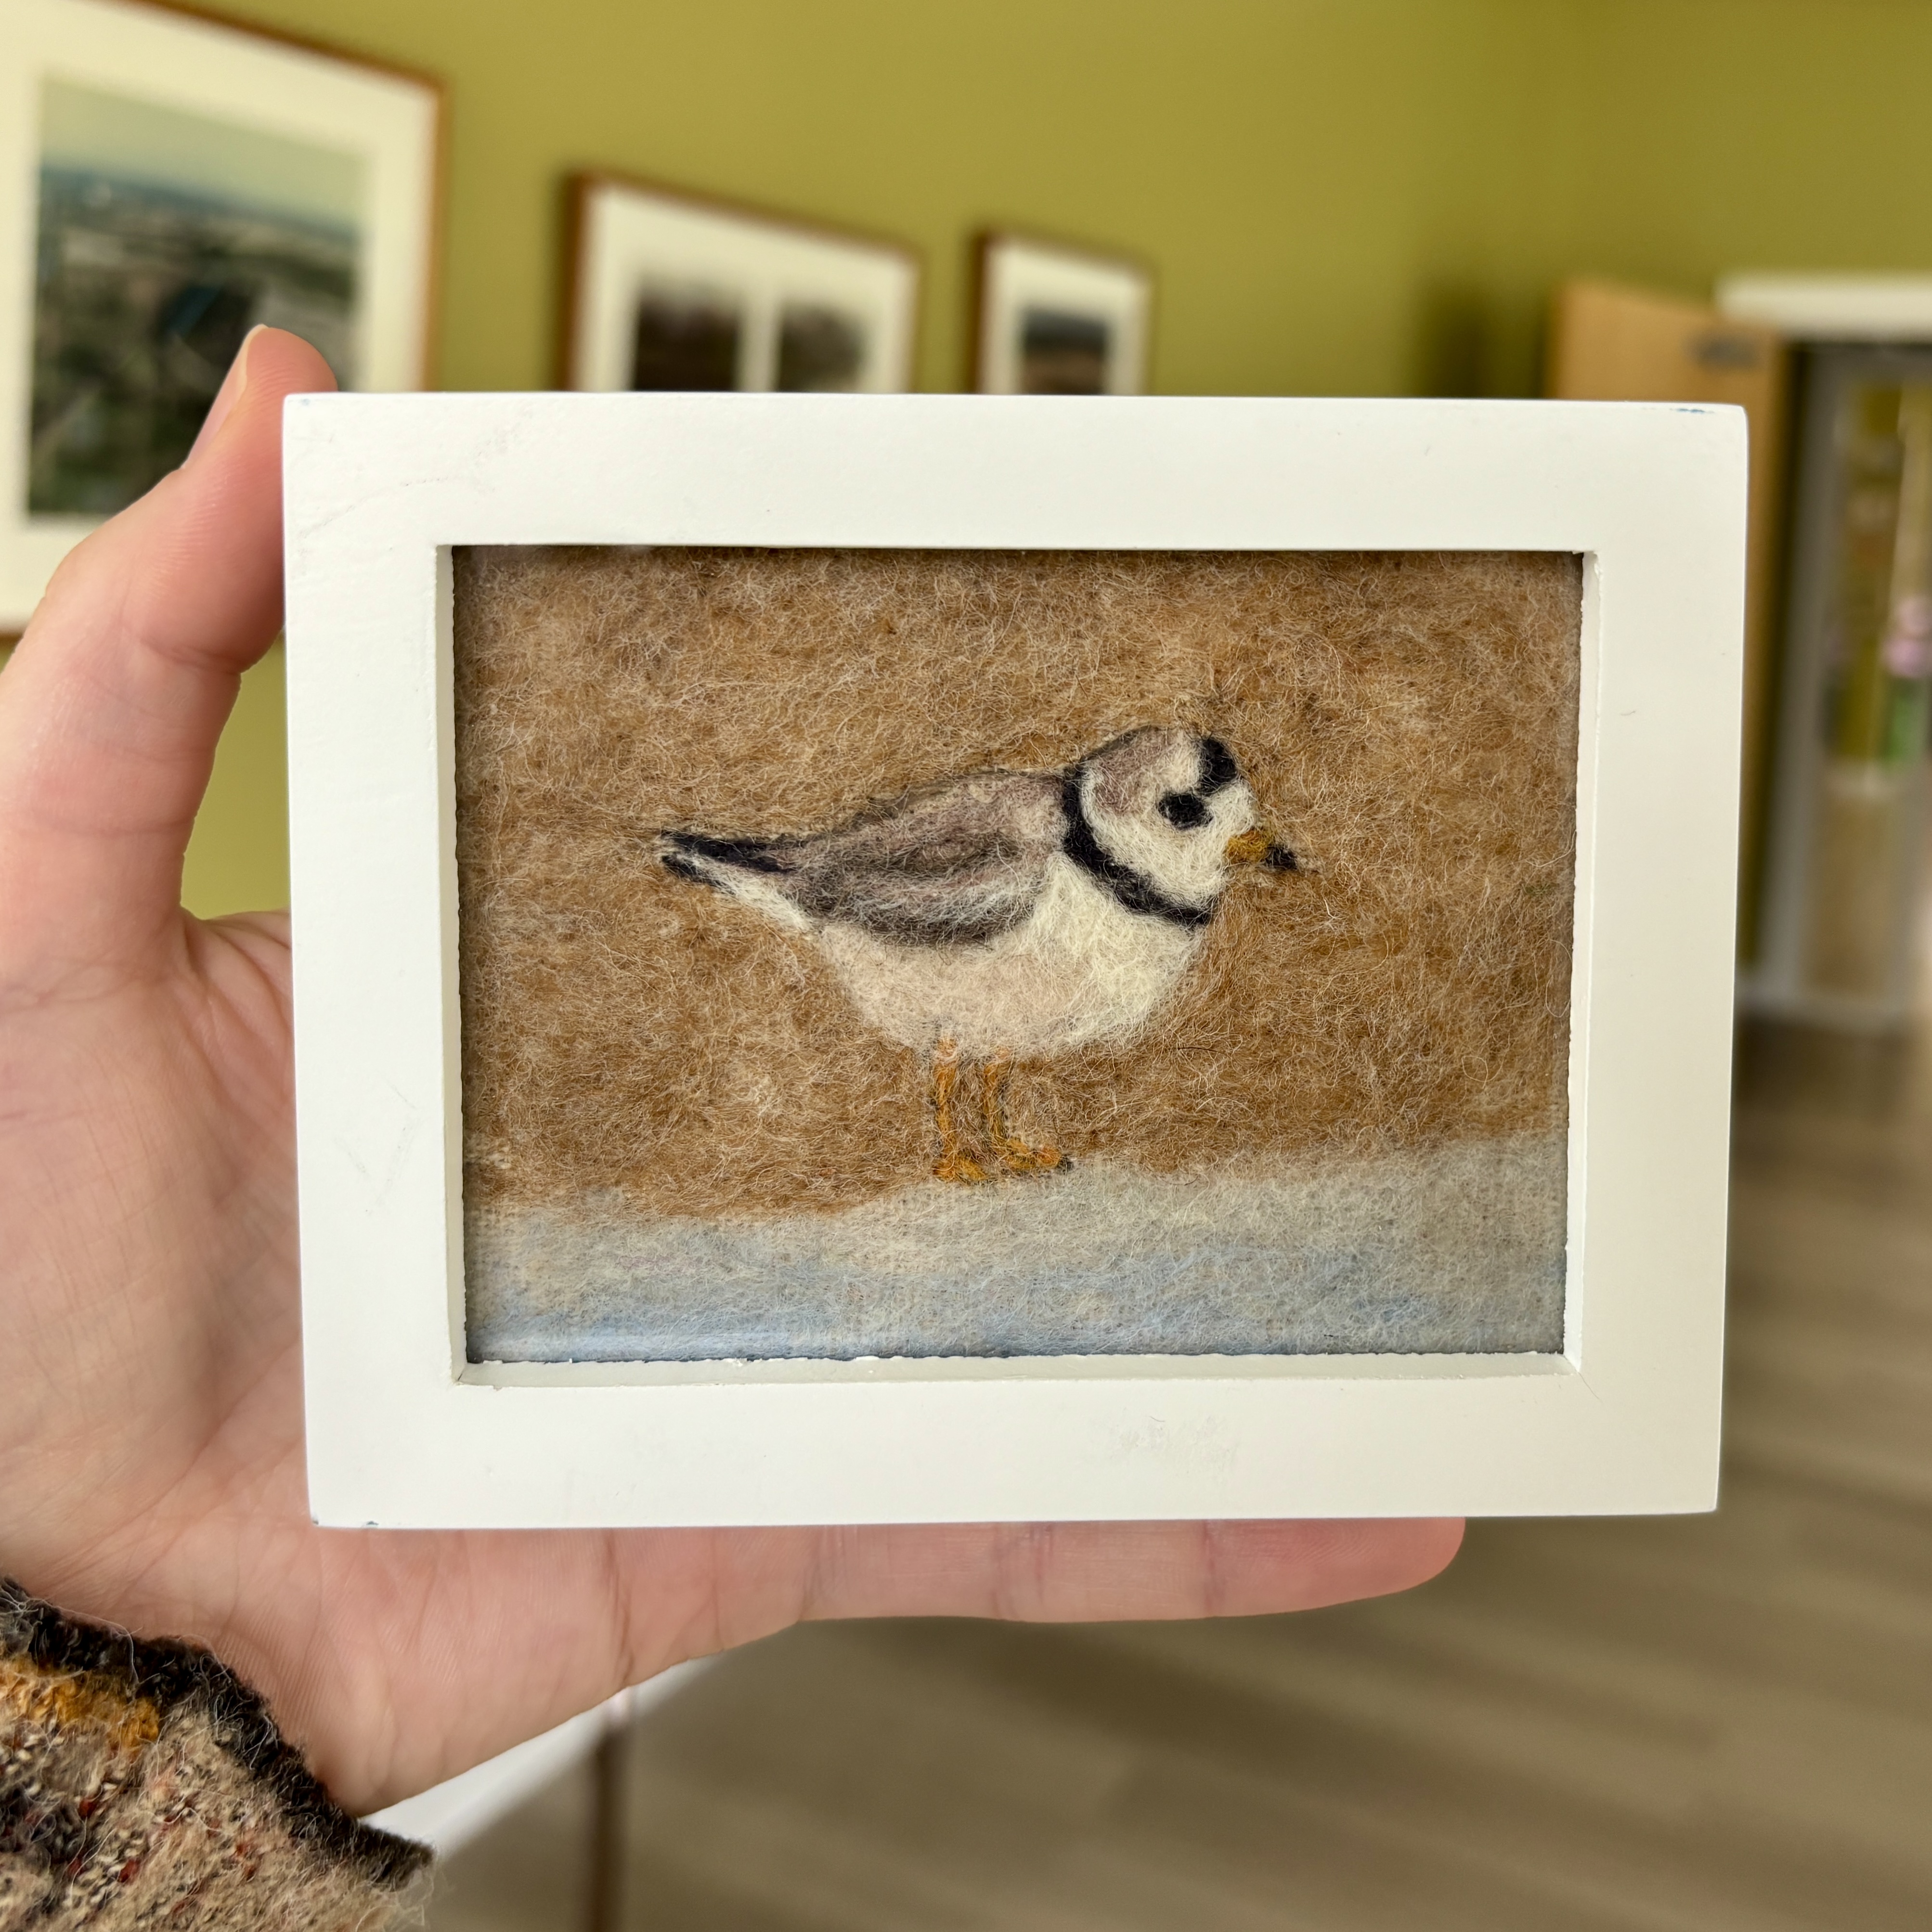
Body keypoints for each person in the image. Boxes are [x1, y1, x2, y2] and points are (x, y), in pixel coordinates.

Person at [0, 329, 1461, 1923]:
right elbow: (897, 937)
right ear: (1121, 816)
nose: (1228, 851)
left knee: (990, 1041)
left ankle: (988, 1137)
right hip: (842, 899)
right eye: (1200, 822)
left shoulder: (1144, 893)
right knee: (961, 1037)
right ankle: (970, 1135)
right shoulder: (1018, 853)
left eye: (1233, 832)